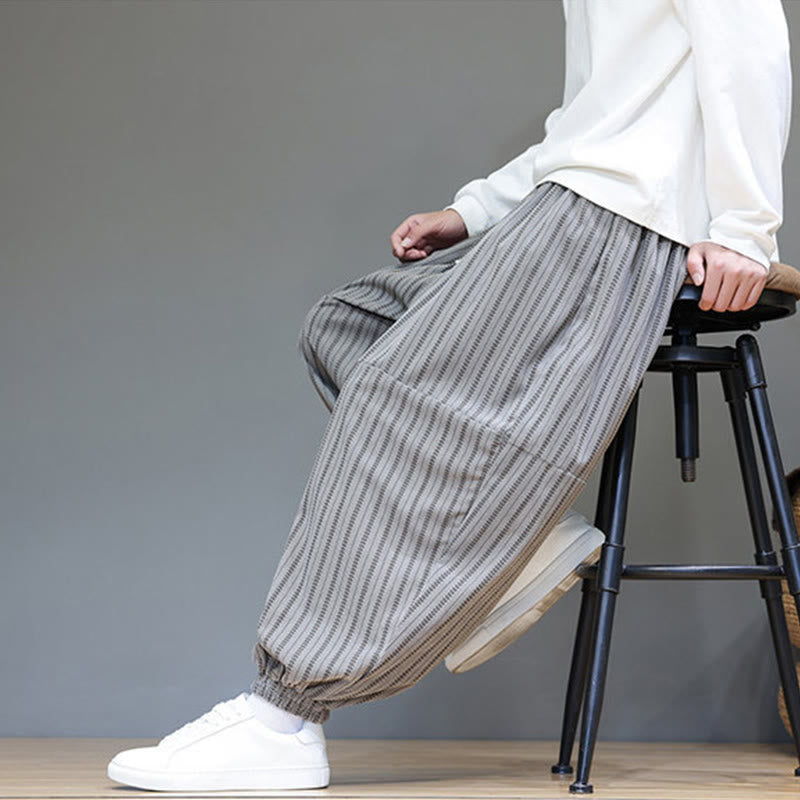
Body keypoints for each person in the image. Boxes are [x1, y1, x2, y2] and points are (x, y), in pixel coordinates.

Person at [107, 0, 792, 791]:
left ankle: (284, 718)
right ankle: (525, 541)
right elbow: (593, 120)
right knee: (349, 326)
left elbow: (751, 48)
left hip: (620, 217)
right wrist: (474, 210)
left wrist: (744, 231)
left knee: (389, 393)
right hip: (568, 203)